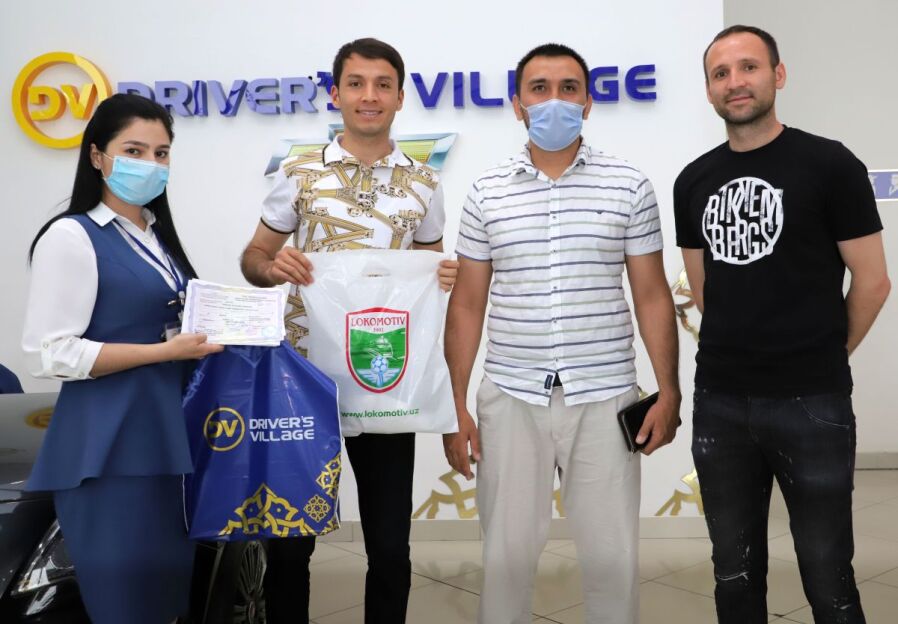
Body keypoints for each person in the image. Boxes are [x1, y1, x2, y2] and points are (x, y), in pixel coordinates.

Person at [443, 43, 681, 623]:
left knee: (611, 560)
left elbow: (651, 294)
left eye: (568, 88)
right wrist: (455, 404)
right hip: (511, 394)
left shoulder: (629, 185)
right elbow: (468, 303)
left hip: (605, 395)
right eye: (540, 88)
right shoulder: (487, 191)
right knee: (505, 559)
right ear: (518, 104)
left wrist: (669, 391)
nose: (555, 100)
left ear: (588, 102)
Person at [674, 25, 891, 624]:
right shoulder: (693, 180)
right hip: (720, 402)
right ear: (709, 90)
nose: (735, 82)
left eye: (748, 67)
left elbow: (873, 281)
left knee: (828, 576)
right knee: (733, 574)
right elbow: (703, 289)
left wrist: (825, 353)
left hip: (812, 403)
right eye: (721, 73)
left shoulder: (830, 164)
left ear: (778, 74)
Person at [240, 37, 458, 623]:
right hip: (301, 377)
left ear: (400, 96)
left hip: (383, 376)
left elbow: (430, 272)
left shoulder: (424, 182)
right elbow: (254, 258)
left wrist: (444, 275)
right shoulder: (298, 173)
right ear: (335, 94)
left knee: (389, 544)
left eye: (383, 84)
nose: (370, 96)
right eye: (356, 84)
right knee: (291, 540)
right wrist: (272, 267)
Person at [22, 93, 223, 624]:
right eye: (134, 150)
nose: (150, 164)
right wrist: (164, 351)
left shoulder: (155, 237)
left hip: (165, 441)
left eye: (161, 153)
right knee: (125, 605)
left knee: (164, 600)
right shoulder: (72, 237)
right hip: (110, 449)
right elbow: (51, 352)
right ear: (97, 156)